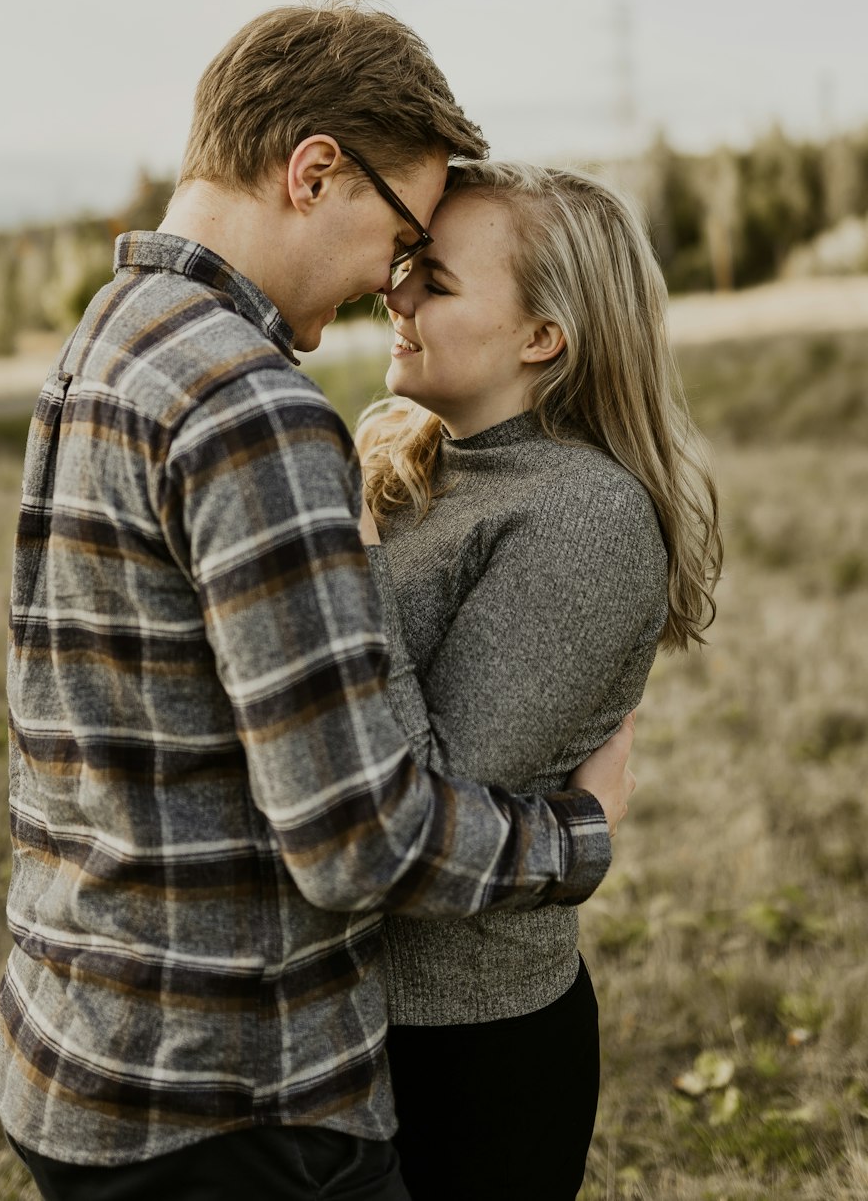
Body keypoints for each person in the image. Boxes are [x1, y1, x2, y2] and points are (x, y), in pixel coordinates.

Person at [0, 2, 637, 1201]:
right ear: (314, 172)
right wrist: (576, 836)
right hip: (229, 1093)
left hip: (71, 1047)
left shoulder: (109, 338)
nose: (391, 281)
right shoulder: (253, 406)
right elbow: (355, 839)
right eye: (400, 239)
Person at [355, 160, 723, 1200]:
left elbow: (421, 820)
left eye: (435, 276)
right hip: (353, 1026)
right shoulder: (421, 459)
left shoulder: (582, 516)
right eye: (404, 265)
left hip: (465, 1051)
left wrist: (331, 558)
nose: (396, 291)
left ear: (541, 337)